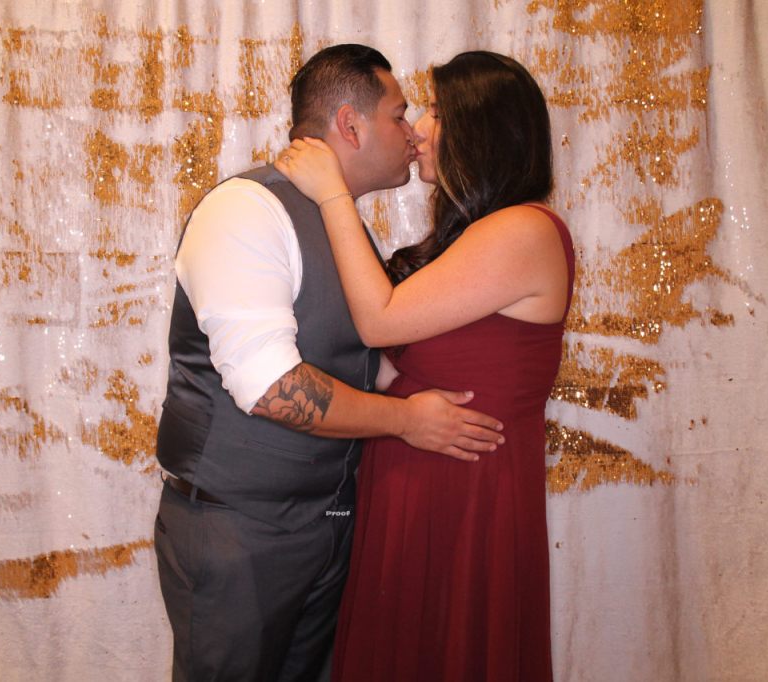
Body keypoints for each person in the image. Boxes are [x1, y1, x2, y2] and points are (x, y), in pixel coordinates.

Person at [153, 44, 506, 682]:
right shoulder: (246, 210)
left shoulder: (341, 225)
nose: (412, 132)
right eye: (398, 115)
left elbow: (362, 362)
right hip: (238, 533)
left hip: (331, 528)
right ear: (350, 125)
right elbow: (271, 387)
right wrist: (409, 421)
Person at [276, 51, 573, 681]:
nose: (416, 129)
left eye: (434, 110)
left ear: (480, 127)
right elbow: (392, 363)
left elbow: (379, 322)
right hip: (414, 481)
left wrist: (333, 193)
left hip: (468, 498)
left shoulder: (525, 229)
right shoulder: (476, 237)